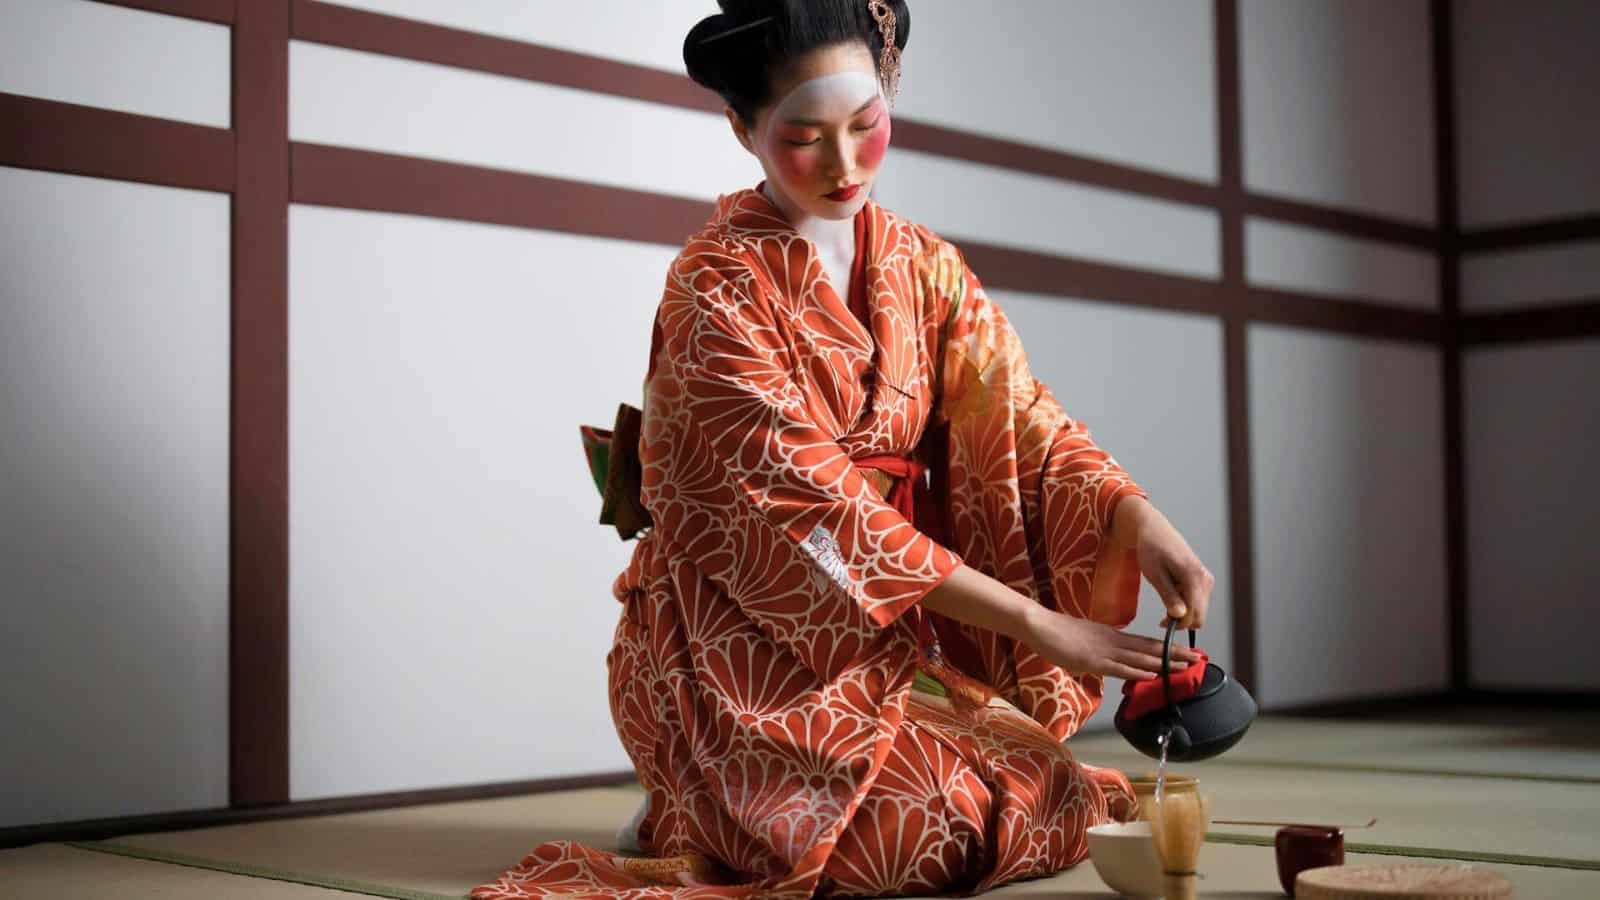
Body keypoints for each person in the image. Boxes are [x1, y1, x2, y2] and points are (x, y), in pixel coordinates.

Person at [472, 2, 1214, 897]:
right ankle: (687, 791)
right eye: (804, 136)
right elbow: (808, 507)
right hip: (741, 639)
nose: (844, 164)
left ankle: (747, 800)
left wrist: (1138, 519)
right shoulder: (713, 290)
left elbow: (1022, 422)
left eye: (867, 126)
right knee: (919, 832)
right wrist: (1035, 622)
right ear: (743, 127)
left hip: (898, 621)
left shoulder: (923, 264)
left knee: (1046, 793)